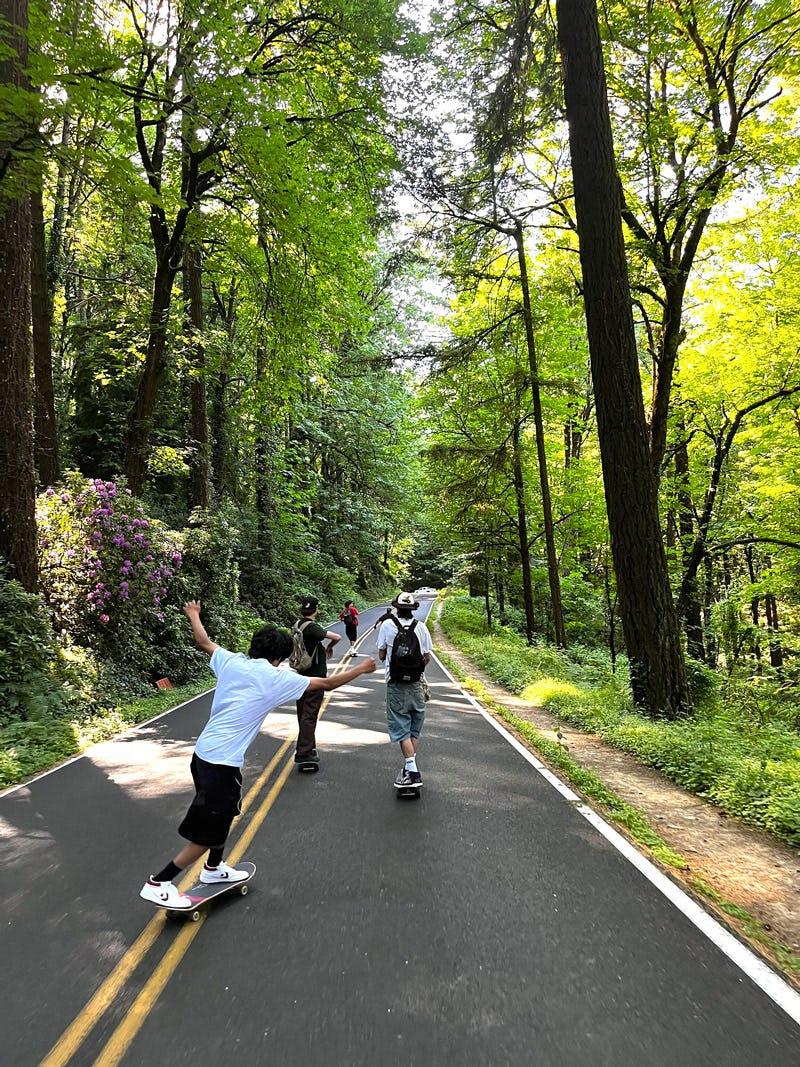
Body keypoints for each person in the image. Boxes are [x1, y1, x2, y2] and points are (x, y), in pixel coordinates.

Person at [140, 600, 375, 908]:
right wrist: (361, 668)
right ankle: (160, 882)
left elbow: (203, 641)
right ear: (280, 656)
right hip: (219, 763)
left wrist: (194, 614)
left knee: (225, 812)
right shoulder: (277, 678)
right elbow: (327, 683)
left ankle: (213, 869)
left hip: (205, 756)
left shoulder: (232, 661)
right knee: (209, 826)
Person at [376, 592, 433, 789]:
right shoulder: (422, 628)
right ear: (413, 609)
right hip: (416, 683)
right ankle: (409, 767)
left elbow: (382, 654)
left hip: (395, 684)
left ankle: (413, 771)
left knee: (401, 728)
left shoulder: (386, 625)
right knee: (413, 728)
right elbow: (426, 657)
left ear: (396, 607)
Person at [292, 595, 341, 768]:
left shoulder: (297, 625)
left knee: (302, 711)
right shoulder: (312, 627)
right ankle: (304, 752)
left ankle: (307, 747)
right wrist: (329, 647)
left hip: (300, 673)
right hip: (315, 675)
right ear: (316, 610)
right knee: (310, 713)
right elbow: (337, 637)